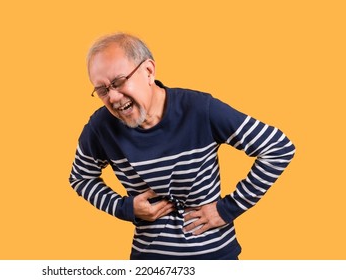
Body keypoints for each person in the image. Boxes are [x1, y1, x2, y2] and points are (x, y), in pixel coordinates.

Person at [69, 32, 295, 260]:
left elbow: (278, 148)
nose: (114, 97)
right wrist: (124, 208)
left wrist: (227, 209)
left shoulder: (199, 109)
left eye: (118, 82)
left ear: (148, 71)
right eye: (102, 90)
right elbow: (80, 178)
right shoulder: (101, 127)